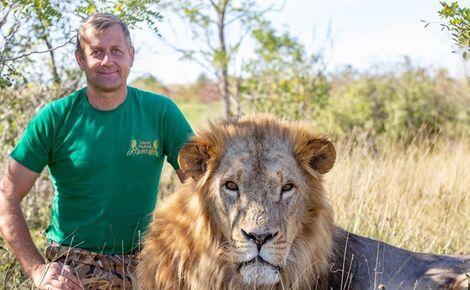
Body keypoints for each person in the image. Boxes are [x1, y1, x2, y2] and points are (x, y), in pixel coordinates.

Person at [0, 13, 193, 289]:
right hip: (73, 262)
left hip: (144, 260)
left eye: (116, 51)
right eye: (96, 52)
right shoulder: (55, 118)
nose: (107, 61)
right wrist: (37, 268)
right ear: (81, 58)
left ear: (131, 56)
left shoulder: (160, 113)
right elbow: (7, 195)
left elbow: (202, 183)